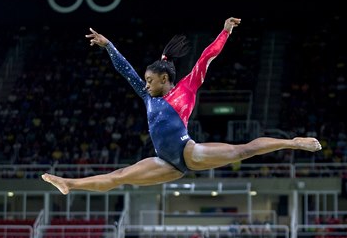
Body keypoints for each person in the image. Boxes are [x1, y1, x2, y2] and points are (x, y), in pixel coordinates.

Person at [41, 17, 322, 194]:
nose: (146, 85)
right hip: (165, 163)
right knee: (120, 176)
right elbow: (124, 70)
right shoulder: (149, 96)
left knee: (243, 150)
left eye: (150, 80)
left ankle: (293, 143)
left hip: (188, 152)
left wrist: (224, 32)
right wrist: (109, 46)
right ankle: (69, 184)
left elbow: (206, 57)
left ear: (165, 78)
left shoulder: (186, 88)